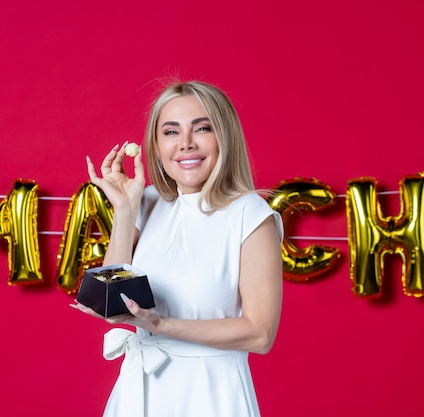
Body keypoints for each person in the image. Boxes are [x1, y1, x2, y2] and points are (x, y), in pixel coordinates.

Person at [72, 80, 284, 417]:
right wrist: (125, 211)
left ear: (224, 138)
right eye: (171, 132)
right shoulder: (149, 203)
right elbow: (111, 300)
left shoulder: (250, 214)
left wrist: (161, 324)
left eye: (202, 128)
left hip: (210, 393)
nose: (186, 144)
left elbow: (260, 334)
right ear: (156, 147)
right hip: (138, 391)